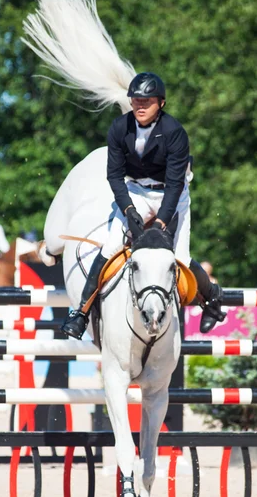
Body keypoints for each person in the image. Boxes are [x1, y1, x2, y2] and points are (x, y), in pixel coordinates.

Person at [62, 72, 226, 340]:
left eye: (147, 101)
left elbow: (175, 185)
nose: (140, 105)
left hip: (172, 195)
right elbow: (114, 176)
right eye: (136, 100)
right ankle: (81, 312)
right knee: (111, 246)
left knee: (180, 257)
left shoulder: (175, 133)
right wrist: (127, 208)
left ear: (161, 103)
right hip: (136, 191)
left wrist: (161, 222)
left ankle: (213, 300)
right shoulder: (119, 128)